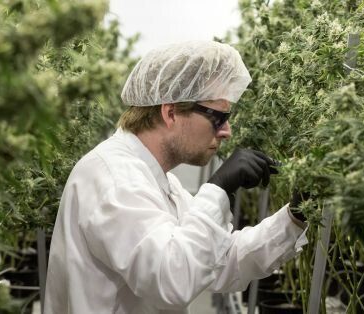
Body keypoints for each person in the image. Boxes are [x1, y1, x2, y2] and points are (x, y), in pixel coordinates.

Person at [44, 40, 308, 314]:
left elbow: (221, 260)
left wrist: (294, 218)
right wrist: (217, 189)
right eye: (218, 117)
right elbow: (173, 281)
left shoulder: (157, 180)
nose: (226, 130)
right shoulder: (113, 179)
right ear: (171, 113)